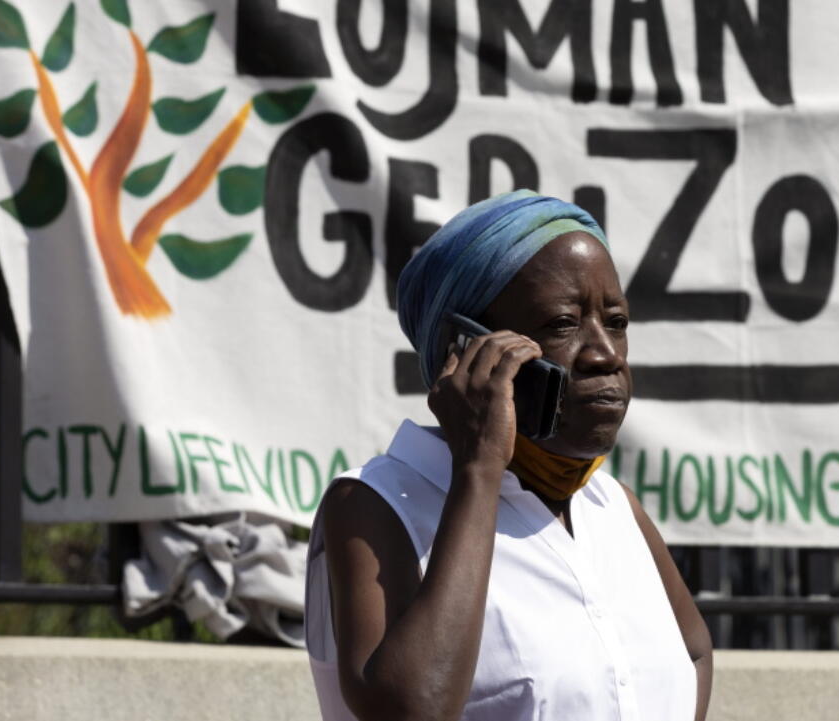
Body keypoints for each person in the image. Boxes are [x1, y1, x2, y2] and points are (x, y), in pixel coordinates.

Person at [304, 190, 713, 721]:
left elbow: (695, 651)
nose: (605, 354)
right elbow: (412, 708)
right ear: (466, 347)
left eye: (615, 321)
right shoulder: (375, 505)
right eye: (563, 324)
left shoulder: (610, 505)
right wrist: (479, 467)